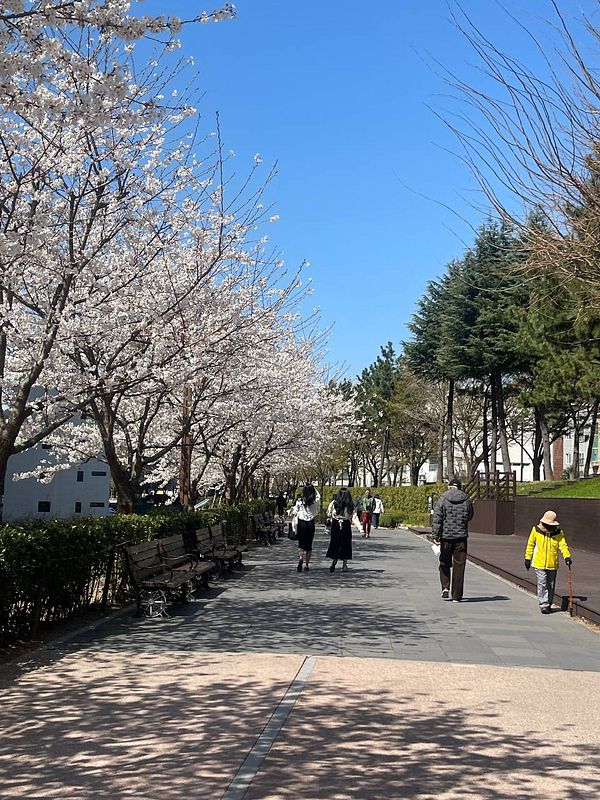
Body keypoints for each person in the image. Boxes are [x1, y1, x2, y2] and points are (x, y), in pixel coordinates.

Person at [431, 476, 474, 602]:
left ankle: (445, 587)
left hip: (446, 537)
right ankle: (456, 596)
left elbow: (437, 519)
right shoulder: (466, 500)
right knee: (459, 566)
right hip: (461, 537)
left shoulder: (443, 499)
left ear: (450, 487)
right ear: (459, 488)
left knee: (444, 562)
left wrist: (436, 535)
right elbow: (470, 515)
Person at [524, 510, 572, 614]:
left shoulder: (558, 533)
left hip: (552, 564)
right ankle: (544, 604)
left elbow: (563, 545)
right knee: (542, 582)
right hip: (538, 563)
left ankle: (548, 604)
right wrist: (528, 558)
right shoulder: (536, 530)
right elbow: (530, 544)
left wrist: (567, 557)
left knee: (550, 584)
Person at [290, 484, 320, 573]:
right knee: (309, 545)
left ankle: (300, 558)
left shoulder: (300, 501)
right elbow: (319, 496)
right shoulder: (314, 500)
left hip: (301, 523)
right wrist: (313, 488)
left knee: (301, 543)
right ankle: (306, 564)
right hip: (310, 523)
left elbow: (295, 511)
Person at [326, 487, 354, 573]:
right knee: (346, 544)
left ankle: (334, 560)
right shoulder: (350, 505)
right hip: (346, 524)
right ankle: (344, 565)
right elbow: (354, 517)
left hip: (336, 524)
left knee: (335, 543)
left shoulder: (334, 503)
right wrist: (361, 530)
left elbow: (328, 513)